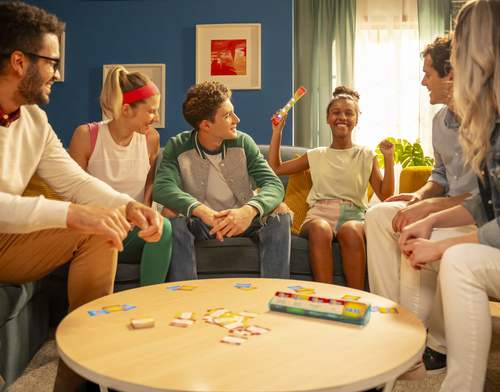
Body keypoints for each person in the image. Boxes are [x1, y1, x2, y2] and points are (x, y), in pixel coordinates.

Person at [0, 1, 163, 392]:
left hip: (7, 243)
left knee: (101, 229)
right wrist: (70, 214)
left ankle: (78, 377)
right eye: (52, 62)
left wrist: (128, 206)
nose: (58, 74)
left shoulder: (34, 120)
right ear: (19, 62)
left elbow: (74, 181)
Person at [399, 0, 500, 391]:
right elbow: (488, 203)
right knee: (437, 245)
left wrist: (440, 243)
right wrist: (431, 219)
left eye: (459, 47)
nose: (454, 61)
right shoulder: (489, 118)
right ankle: (408, 346)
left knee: (458, 259)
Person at [364, 35, 479, 379]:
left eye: (428, 74)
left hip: (473, 218)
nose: (422, 82)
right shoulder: (439, 121)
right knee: (379, 215)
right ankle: (391, 322)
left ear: (451, 76)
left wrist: (431, 209)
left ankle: (431, 345)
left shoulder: (486, 121)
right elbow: (440, 175)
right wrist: (418, 197)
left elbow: (486, 200)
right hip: (444, 207)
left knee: (414, 237)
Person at [152, 81, 291, 281]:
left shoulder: (243, 142)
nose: (236, 119)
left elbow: (274, 184)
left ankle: (274, 288)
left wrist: (248, 211)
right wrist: (201, 210)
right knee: (168, 212)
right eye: (227, 116)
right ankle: (184, 292)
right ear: (206, 125)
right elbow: (162, 187)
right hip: (202, 223)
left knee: (280, 209)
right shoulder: (178, 145)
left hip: (244, 221)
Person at [268, 86, 395, 290]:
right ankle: (326, 297)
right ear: (327, 119)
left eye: (349, 113)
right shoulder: (316, 154)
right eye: (336, 112)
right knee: (320, 228)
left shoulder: (366, 154)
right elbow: (276, 168)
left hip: (354, 216)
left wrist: (388, 159)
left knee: (351, 230)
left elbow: (385, 195)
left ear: (356, 120)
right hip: (319, 214)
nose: (342, 117)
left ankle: (357, 297)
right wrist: (277, 132)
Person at [69, 65, 172, 286]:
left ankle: (149, 300)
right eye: (151, 111)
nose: (156, 117)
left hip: (131, 231)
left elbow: (150, 182)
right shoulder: (86, 135)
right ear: (126, 110)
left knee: (165, 228)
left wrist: (142, 215)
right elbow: (72, 191)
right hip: (95, 230)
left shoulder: (151, 139)